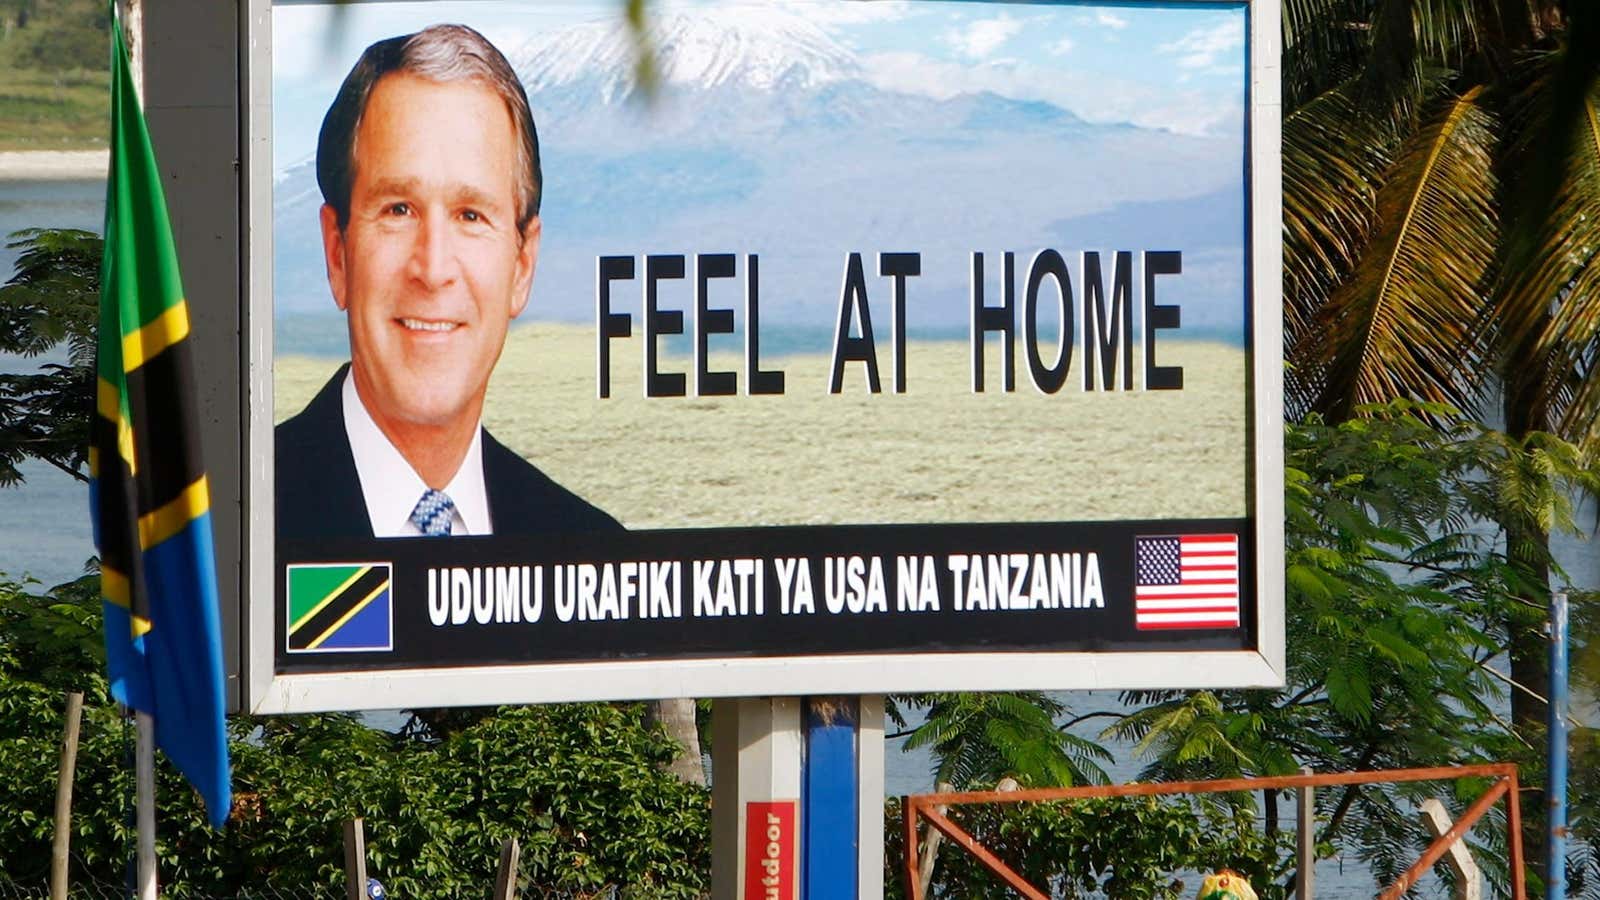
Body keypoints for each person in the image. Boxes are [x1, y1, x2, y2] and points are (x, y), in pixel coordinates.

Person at [276, 24, 619, 539]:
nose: (433, 269)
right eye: (398, 210)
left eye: (471, 216)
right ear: (338, 253)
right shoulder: (230, 525)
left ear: (522, 265)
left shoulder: (589, 546)